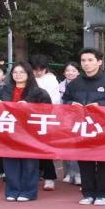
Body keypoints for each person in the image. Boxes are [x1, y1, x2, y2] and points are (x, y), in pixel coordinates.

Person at [62, 48, 105, 205]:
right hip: (82, 128)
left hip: (104, 129)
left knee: (104, 161)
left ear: (99, 62)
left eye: (90, 60)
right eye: (83, 60)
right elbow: (65, 101)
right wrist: (70, 104)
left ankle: (103, 194)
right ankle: (87, 193)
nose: (86, 64)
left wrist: (101, 105)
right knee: (84, 161)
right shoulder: (75, 84)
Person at [0, 62, 53, 202]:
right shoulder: (4, 90)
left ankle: (28, 192)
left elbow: (48, 111)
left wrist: (29, 107)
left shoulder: (38, 92)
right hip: (10, 131)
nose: (18, 75)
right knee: (10, 163)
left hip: (29, 133)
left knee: (29, 163)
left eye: (22, 72)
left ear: (29, 74)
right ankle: (12, 190)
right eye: (15, 72)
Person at [29, 55, 61, 190]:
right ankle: (34, 176)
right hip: (28, 118)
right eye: (35, 69)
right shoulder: (28, 78)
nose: (38, 72)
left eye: (41, 69)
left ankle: (49, 177)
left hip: (45, 118)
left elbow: (55, 100)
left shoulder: (51, 80)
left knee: (44, 149)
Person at [57, 61, 82, 185]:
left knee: (77, 146)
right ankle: (67, 173)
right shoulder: (59, 86)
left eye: (73, 70)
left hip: (78, 119)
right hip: (63, 118)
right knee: (66, 145)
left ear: (78, 72)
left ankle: (76, 173)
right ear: (64, 73)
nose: (70, 73)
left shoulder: (83, 85)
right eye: (67, 70)